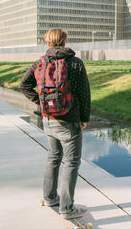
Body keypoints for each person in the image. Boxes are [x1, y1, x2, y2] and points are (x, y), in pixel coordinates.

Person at [19, 29, 91, 219]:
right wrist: (84, 118)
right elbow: (84, 94)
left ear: (48, 43)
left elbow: (23, 85)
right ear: (64, 41)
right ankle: (67, 209)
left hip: (48, 119)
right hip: (69, 120)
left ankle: (50, 198)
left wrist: (41, 102)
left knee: (53, 158)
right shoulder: (75, 63)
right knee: (72, 162)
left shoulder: (39, 63)